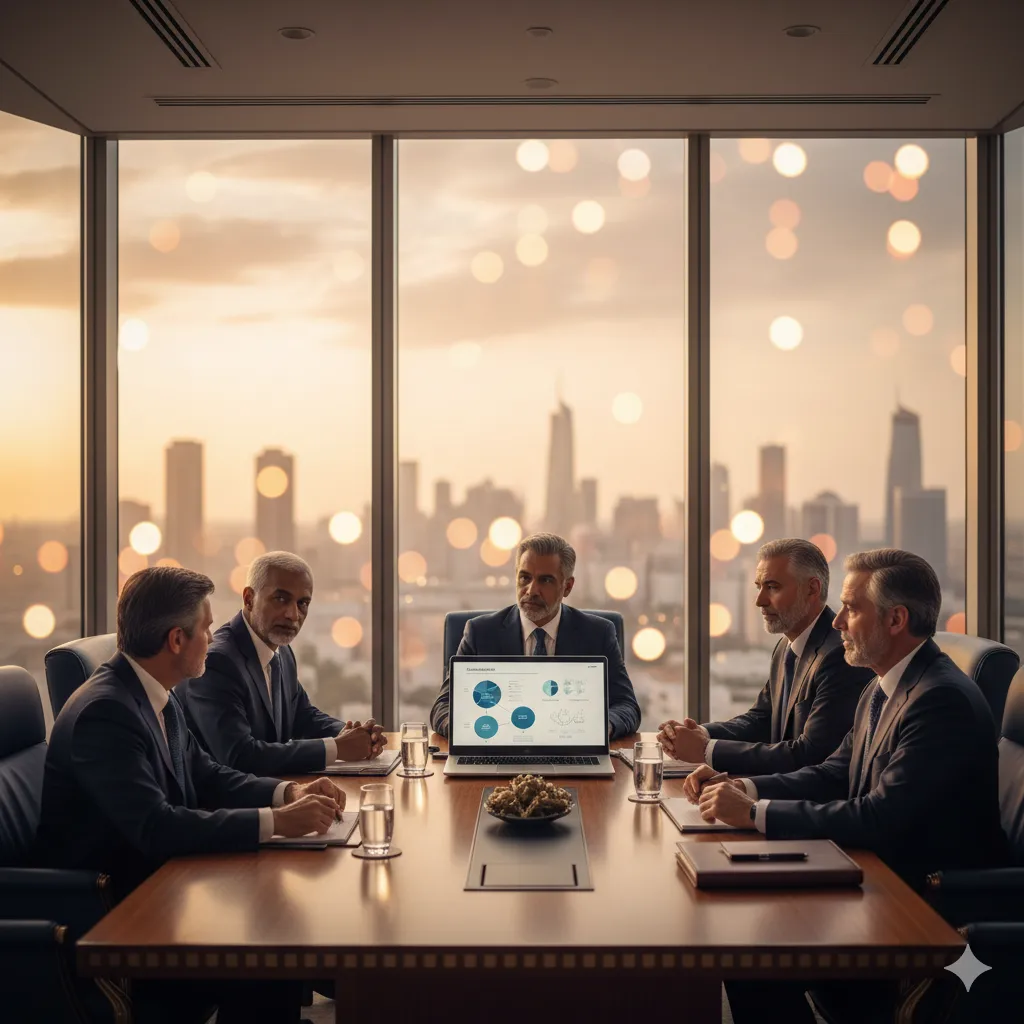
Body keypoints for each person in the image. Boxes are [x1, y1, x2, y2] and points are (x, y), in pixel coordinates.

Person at [688, 549, 1008, 1024]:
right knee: (745, 935)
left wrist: (755, 815)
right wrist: (745, 787)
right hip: (872, 877)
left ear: (896, 619)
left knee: (751, 955)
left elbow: (879, 815)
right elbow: (833, 773)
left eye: (851, 609)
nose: (836, 623)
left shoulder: (940, 700)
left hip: (921, 908)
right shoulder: (882, 686)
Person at [37, 566, 345, 1022]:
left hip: (169, 885)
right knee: (270, 956)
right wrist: (277, 823)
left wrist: (287, 792)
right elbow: (157, 827)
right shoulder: (105, 713)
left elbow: (209, 775)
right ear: (177, 640)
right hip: (119, 915)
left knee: (280, 935)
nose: (214, 638)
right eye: (206, 628)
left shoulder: (155, 693)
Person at [659, 538, 873, 777]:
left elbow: (811, 755)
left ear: (812, 589)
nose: (759, 600)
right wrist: (700, 733)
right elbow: (762, 719)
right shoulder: (786, 646)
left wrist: (706, 750)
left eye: (772, 587)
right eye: (759, 586)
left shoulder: (839, 656)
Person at [178, 551, 385, 775]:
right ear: (249, 599)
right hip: (222, 796)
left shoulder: (282, 651)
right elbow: (240, 756)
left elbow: (303, 716)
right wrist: (337, 748)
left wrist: (355, 734)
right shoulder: (218, 662)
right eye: (281, 599)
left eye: (303, 603)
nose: (293, 615)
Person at [430, 532, 641, 739]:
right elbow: (443, 706)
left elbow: (626, 705)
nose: (531, 590)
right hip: (497, 744)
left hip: (569, 746)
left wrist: (601, 729)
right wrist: (464, 730)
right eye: (525, 577)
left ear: (567, 587)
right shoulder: (480, 632)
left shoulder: (598, 634)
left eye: (545, 580)